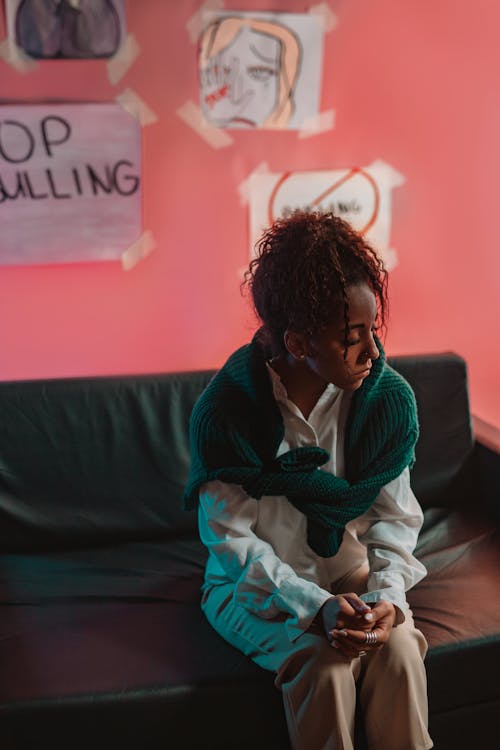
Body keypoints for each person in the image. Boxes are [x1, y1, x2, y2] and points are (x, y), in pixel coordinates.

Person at [184, 211, 433, 750]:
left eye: (373, 330)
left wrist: (387, 595)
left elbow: (395, 517)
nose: (372, 352)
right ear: (297, 343)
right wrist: (310, 604)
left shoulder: (385, 399)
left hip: (351, 576)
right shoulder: (226, 413)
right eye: (351, 337)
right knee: (323, 667)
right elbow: (231, 543)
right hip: (253, 589)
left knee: (400, 650)